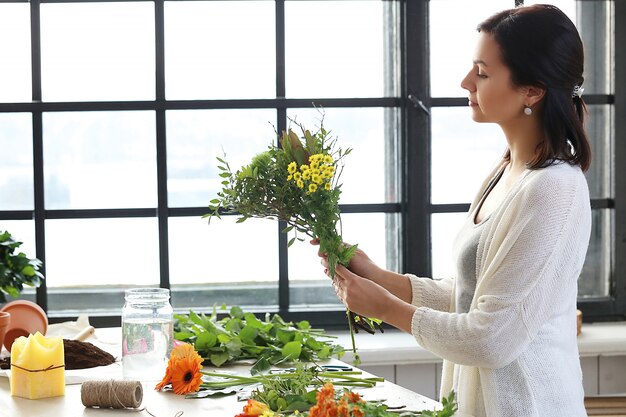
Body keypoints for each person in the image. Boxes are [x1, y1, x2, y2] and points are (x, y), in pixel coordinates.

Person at [317, 5, 592, 417]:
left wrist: (386, 308)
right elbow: (475, 298)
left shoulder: (553, 190)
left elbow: (491, 337)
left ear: (532, 90)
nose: (466, 82)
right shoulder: (506, 172)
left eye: (482, 72)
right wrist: (383, 279)